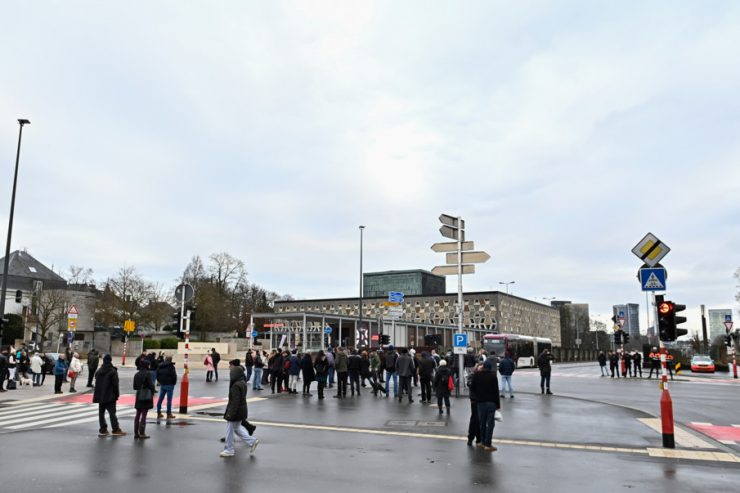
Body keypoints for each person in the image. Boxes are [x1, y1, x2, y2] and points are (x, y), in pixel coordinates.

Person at [220, 360, 259, 458]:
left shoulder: (235, 385)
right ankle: (252, 441)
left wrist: (230, 414)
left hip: (236, 411)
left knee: (230, 430)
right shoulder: (242, 382)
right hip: (242, 410)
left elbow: (235, 401)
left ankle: (229, 449)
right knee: (237, 429)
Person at [470, 360, 501, 452]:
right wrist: (498, 405)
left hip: (480, 402)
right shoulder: (493, 376)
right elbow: (496, 391)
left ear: (483, 367)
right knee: (490, 424)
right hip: (491, 403)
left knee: (482, 422)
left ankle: (482, 442)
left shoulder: (477, 375)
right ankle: (488, 444)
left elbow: (472, 388)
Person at [93, 354, 126, 437]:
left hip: (100, 395)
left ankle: (103, 429)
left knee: (101, 413)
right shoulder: (112, 371)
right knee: (112, 413)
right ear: (110, 360)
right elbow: (115, 385)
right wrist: (116, 394)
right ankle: (115, 429)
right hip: (110, 396)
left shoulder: (99, 371)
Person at [133, 359, 155, 439]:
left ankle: (136, 432)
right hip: (145, 395)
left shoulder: (137, 374)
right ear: (146, 365)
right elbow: (151, 385)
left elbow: (134, 387)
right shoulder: (147, 374)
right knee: (144, 414)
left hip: (139, 395)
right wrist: (152, 390)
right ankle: (142, 432)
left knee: (138, 413)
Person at [466, 363, 482, 446]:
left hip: (482, 400)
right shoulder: (472, 375)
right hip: (474, 400)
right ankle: (470, 438)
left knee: (481, 420)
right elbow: (470, 385)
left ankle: (479, 438)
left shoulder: (483, 376)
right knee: (474, 419)